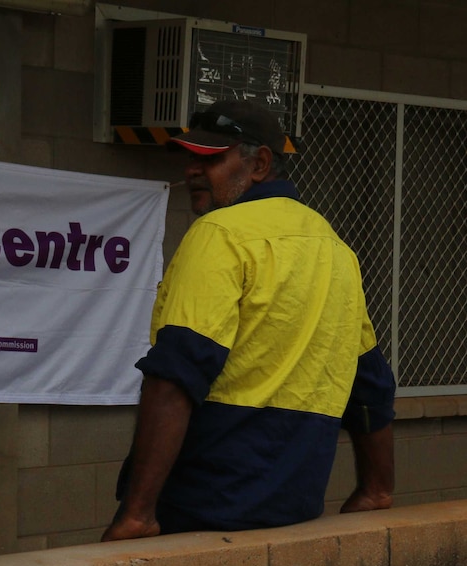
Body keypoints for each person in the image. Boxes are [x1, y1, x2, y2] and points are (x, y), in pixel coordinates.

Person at [102, 99, 396, 541]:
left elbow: (176, 374)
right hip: (295, 505)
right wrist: (376, 489)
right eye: (190, 157)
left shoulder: (220, 233)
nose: (192, 170)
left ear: (259, 163)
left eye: (211, 158)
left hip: (204, 502)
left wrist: (137, 514)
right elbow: (370, 383)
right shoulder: (335, 248)